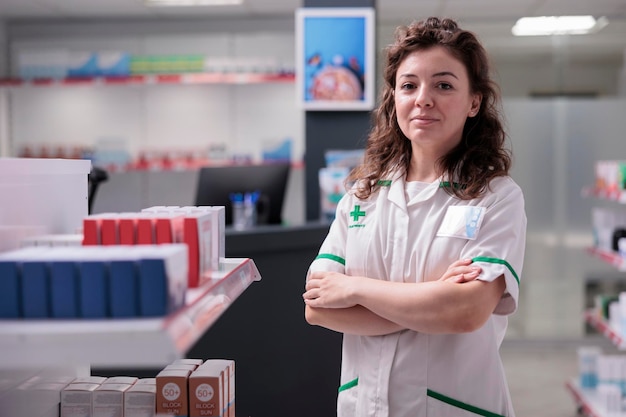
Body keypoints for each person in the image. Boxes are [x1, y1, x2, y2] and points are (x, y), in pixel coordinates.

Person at [302, 16, 527, 417]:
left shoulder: (495, 198)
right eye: (409, 85)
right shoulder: (361, 196)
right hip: (364, 405)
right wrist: (431, 300)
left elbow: (466, 312)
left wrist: (354, 290)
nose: (423, 98)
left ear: (474, 101)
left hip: (453, 406)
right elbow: (318, 307)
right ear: (394, 98)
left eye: (443, 85)